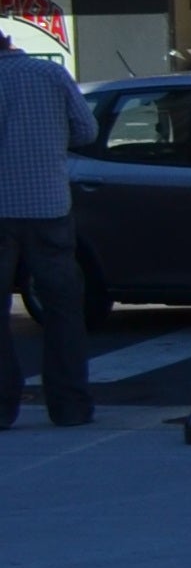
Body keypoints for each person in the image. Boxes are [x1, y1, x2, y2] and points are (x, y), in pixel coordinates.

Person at [0, 30, 89, 429]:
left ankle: (3, 407)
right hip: (48, 205)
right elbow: (87, 132)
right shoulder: (51, 75)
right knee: (63, 310)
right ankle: (69, 405)